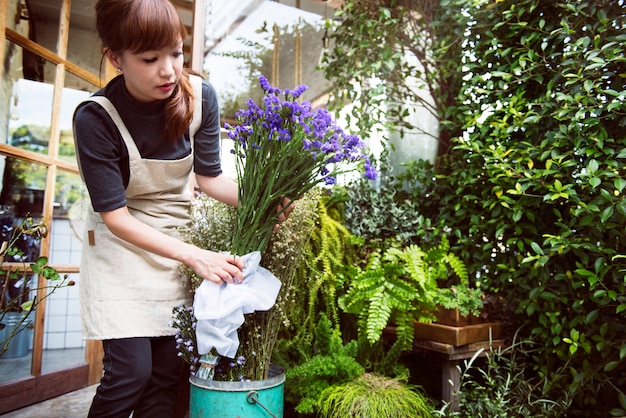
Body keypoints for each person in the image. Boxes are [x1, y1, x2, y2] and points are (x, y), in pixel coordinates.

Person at [73, 1, 291, 416]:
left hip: (176, 237)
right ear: (115, 57)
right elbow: (115, 217)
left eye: (176, 52)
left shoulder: (200, 97)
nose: (169, 70)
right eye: (150, 58)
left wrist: (266, 201)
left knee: (165, 377)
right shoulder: (95, 118)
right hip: (122, 246)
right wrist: (197, 257)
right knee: (130, 373)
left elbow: (210, 178)